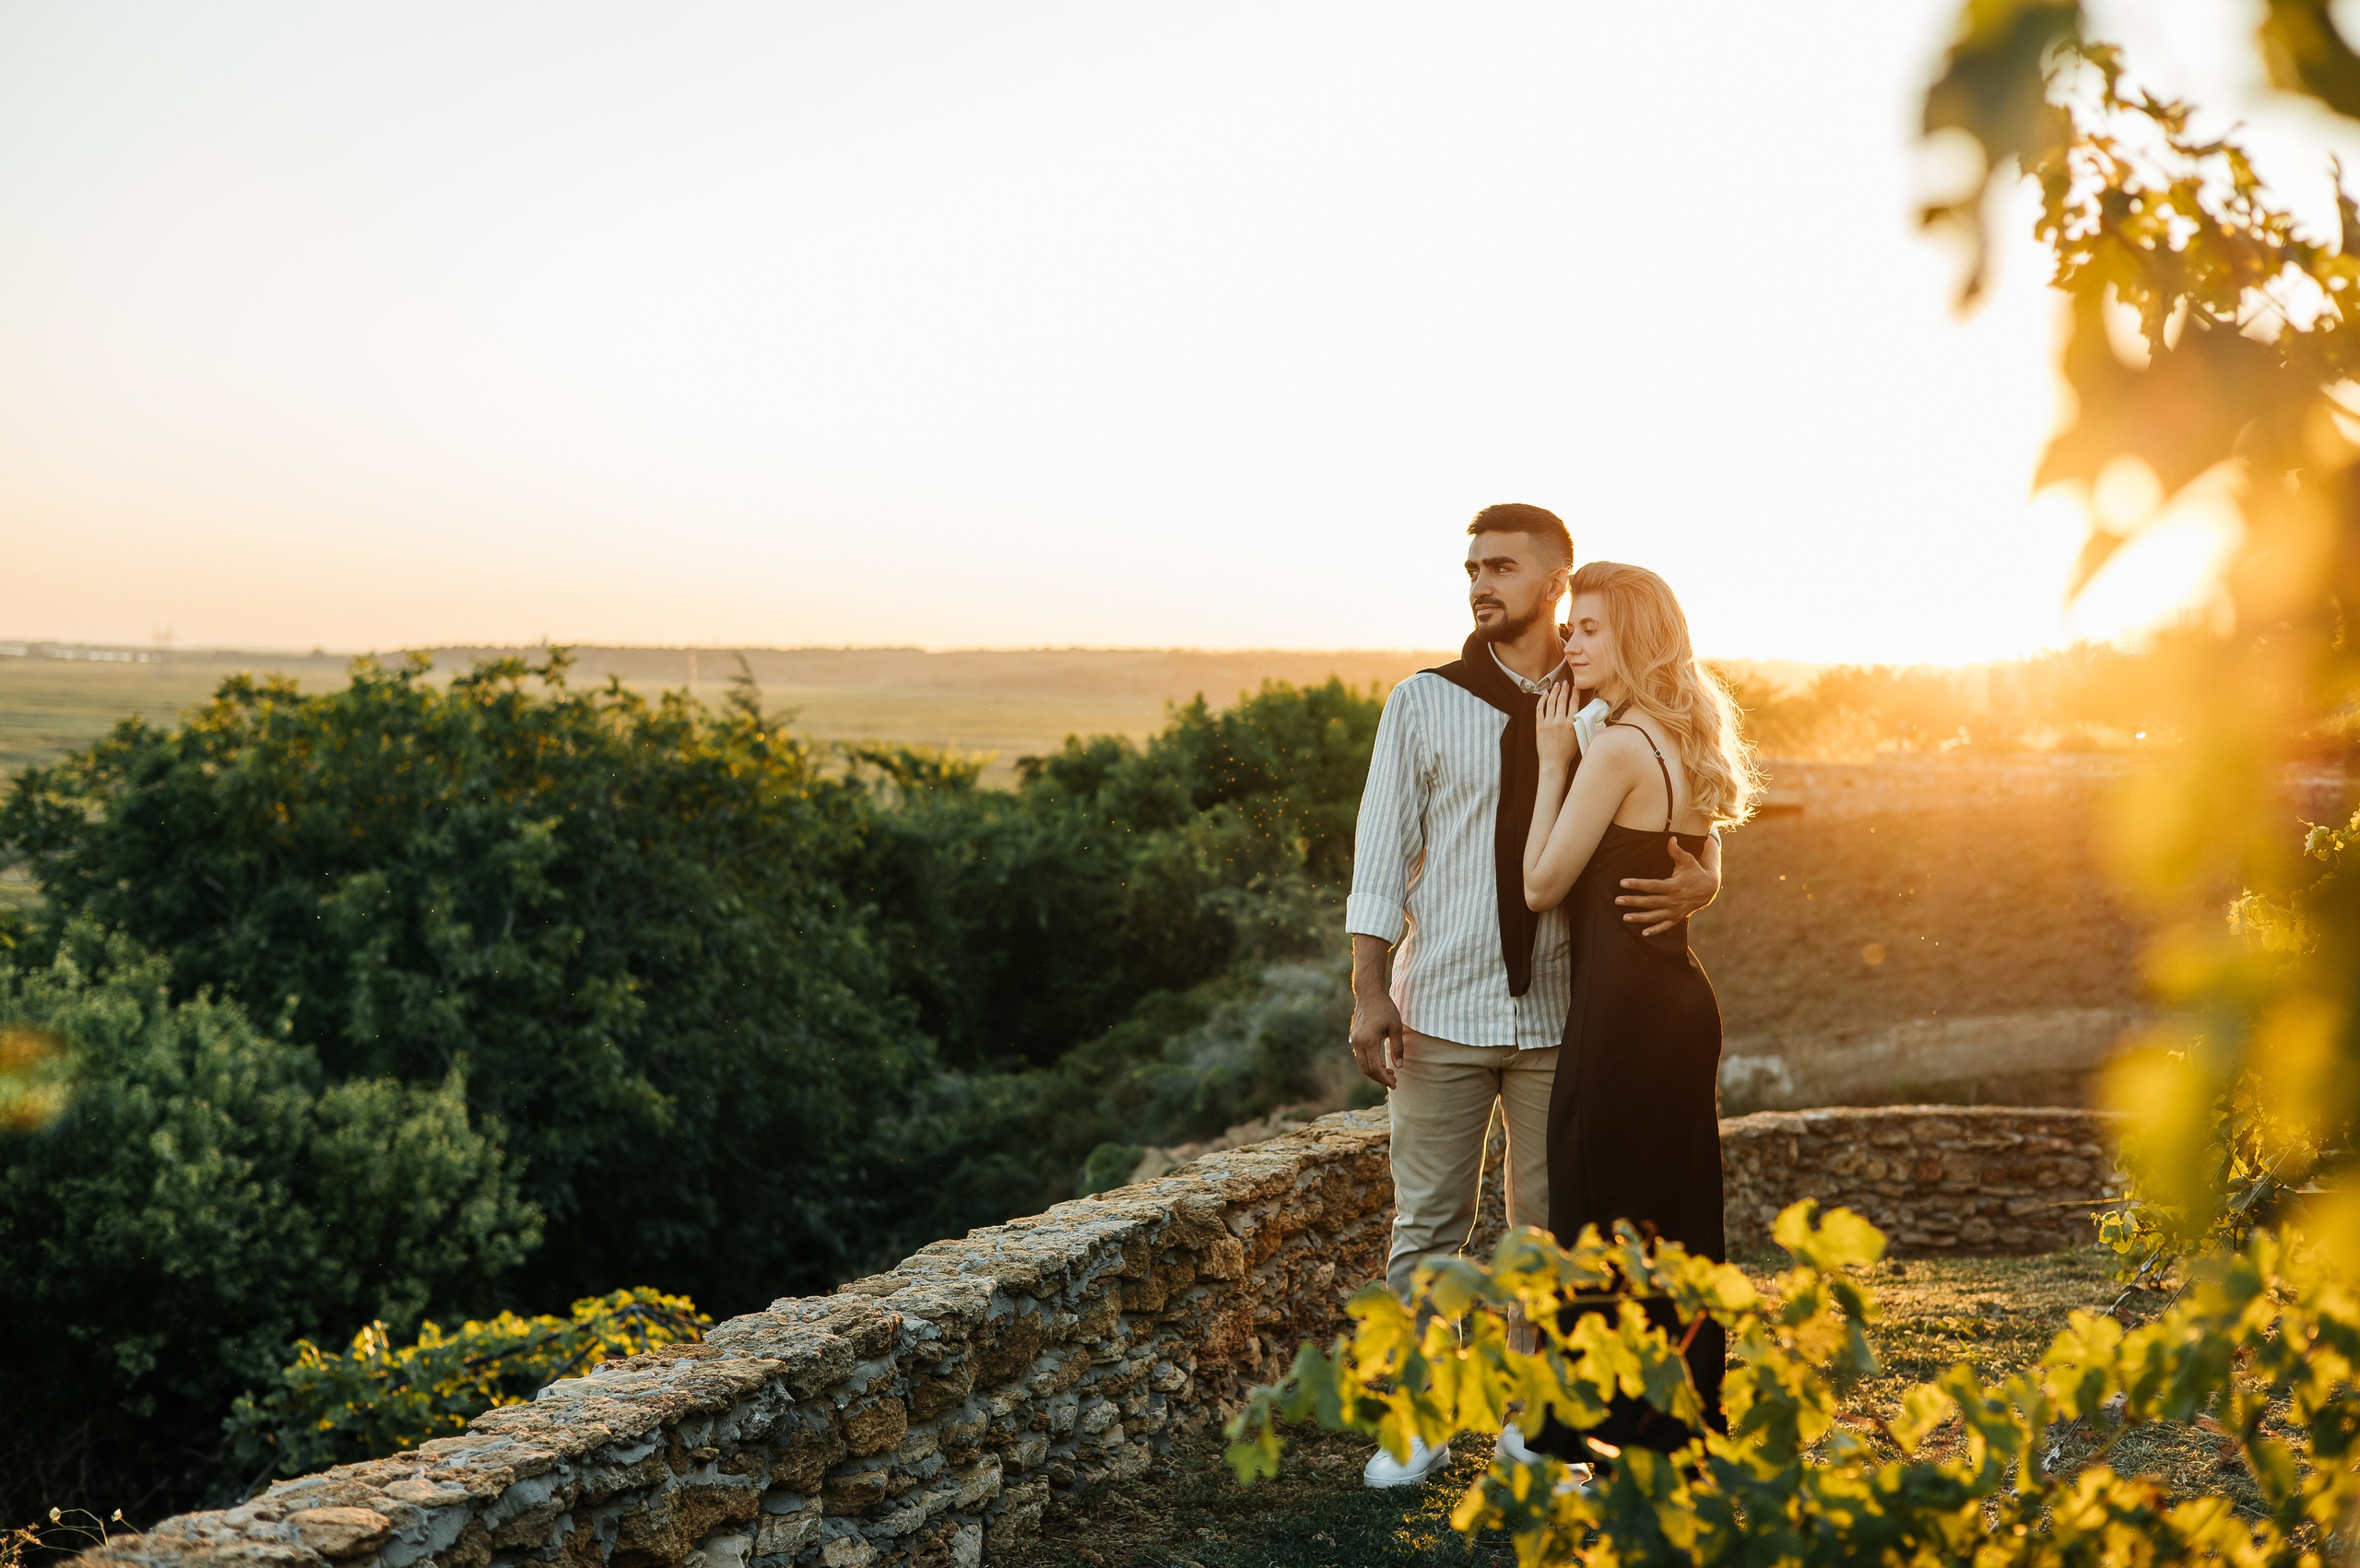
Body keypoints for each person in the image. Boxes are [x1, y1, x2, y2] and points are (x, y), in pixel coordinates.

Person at [1346, 507, 1723, 1488]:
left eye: (1502, 566)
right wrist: (1368, 988)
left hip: (1567, 1016)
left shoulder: (1600, 697)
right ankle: (1418, 1420)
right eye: (1471, 567)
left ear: (1557, 583)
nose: (1480, 583)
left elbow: (1679, 797)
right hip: (1444, 1007)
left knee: (1552, 1236)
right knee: (1427, 1225)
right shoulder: (1421, 704)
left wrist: (1706, 873)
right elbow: (1379, 855)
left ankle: (1539, 1418)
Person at [1521, 560, 1762, 1468]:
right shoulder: (1680, 734)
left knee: (1596, 1212)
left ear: (1633, 637)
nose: (1570, 642)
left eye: (1586, 628)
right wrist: (1701, 887)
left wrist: (1553, 765)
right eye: (1570, 627)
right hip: (1679, 1003)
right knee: (1675, 1219)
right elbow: (1698, 859)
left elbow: (1543, 883)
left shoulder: (1617, 747)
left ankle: (1592, 1440)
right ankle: (1679, 1431)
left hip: (1619, 1011)